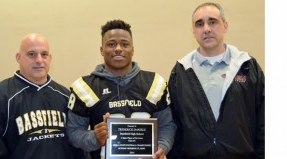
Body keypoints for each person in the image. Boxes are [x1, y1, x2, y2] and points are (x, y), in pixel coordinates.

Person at [66, 19, 176, 159]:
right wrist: (95, 137)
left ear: (133, 49)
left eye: (124, 44)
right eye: (111, 44)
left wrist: (161, 148)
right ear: (102, 50)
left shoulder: (155, 83)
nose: (118, 48)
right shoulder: (84, 87)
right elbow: (73, 132)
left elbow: (167, 125)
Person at [167, 2, 265, 159]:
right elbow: (174, 123)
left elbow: (264, 120)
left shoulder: (247, 66)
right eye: (200, 24)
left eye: (212, 22)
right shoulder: (180, 71)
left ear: (225, 26)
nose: (206, 29)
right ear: (193, 32)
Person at [0, 33, 84, 159]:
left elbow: (78, 147)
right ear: (18, 57)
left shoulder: (66, 96)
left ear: (50, 58)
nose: (39, 60)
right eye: (31, 54)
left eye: (44, 54)